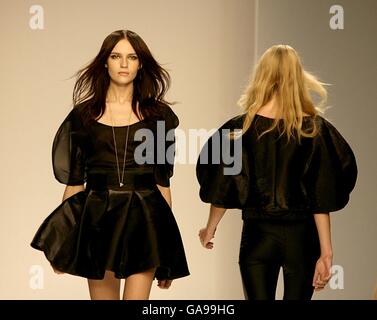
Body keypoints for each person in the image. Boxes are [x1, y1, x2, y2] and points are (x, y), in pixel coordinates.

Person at [30, 29, 189, 300]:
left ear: (140, 64)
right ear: (106, 62)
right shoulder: (84, 117)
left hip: (145, 222)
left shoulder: (159, 117)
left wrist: (167, 253)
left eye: (132, 57)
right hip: (98, 222)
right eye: (116, 56)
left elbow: (163, 185)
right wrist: (66, 244)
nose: (124, 64)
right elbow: (74, 186)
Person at [196, 45, 357, 300]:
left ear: (262, 75)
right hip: (302, 239)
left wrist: (210, 228)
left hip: (257, 237)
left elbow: (222, 186)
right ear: (297, 76)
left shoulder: (239, 129)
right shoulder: (314, 130)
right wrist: (326, 252)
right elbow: (321, 194)